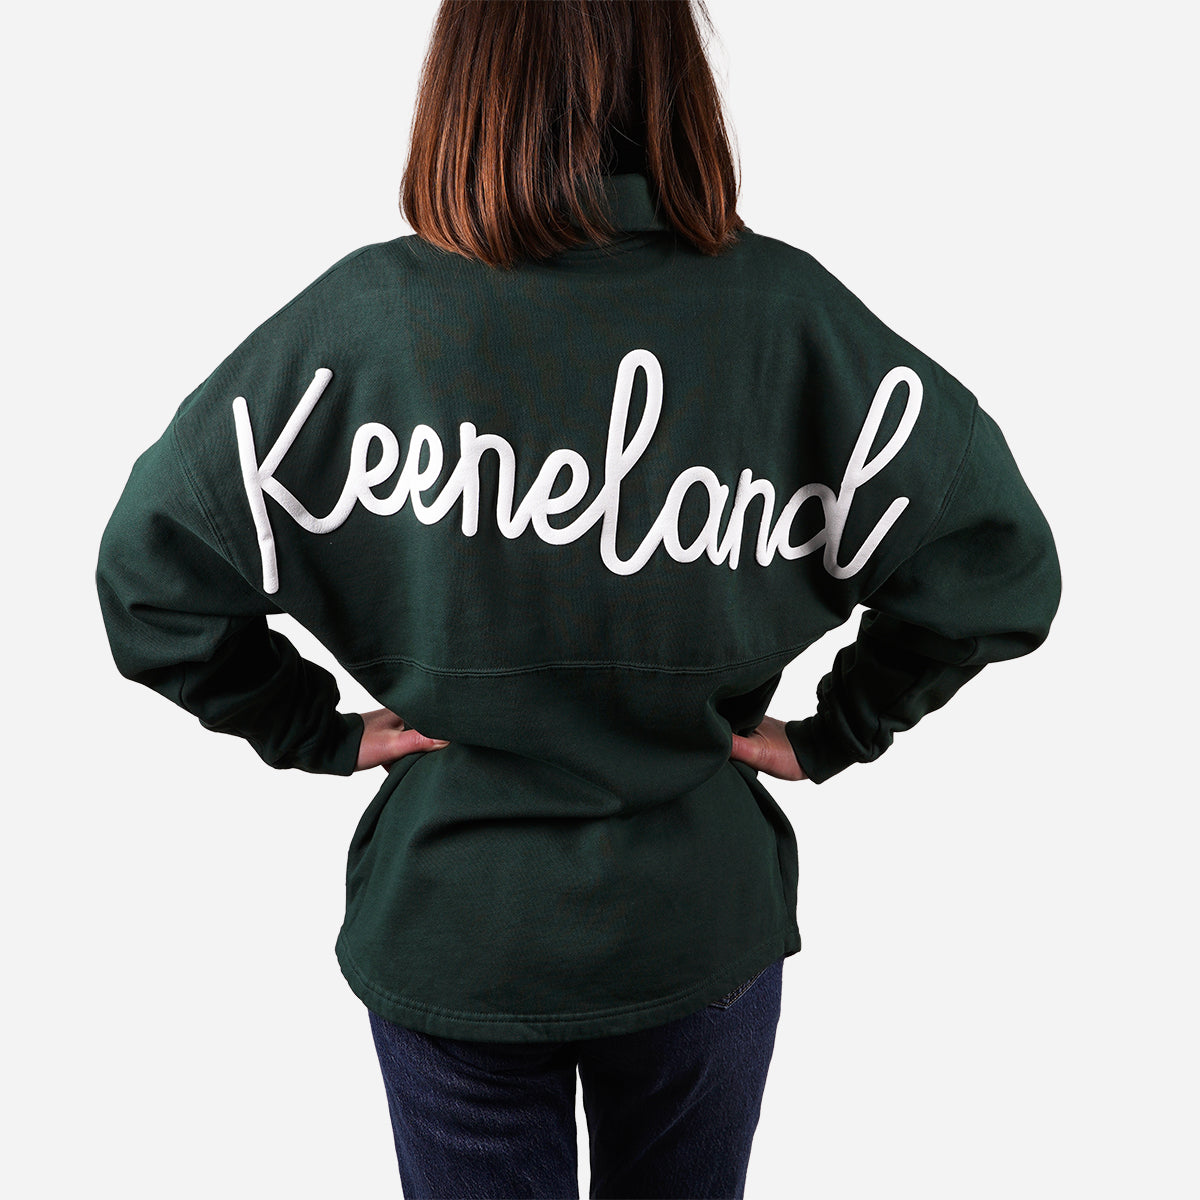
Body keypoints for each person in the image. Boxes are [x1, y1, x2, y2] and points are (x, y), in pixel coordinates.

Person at [94, 1, 1062, 1196]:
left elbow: (153, 574)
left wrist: (316, 727)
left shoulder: (368, 319)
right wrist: (836, 729)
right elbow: (995, 562)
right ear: (675, 82)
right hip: (697, 916)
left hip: (458, 923)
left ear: (464, 85)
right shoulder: (785, 312)